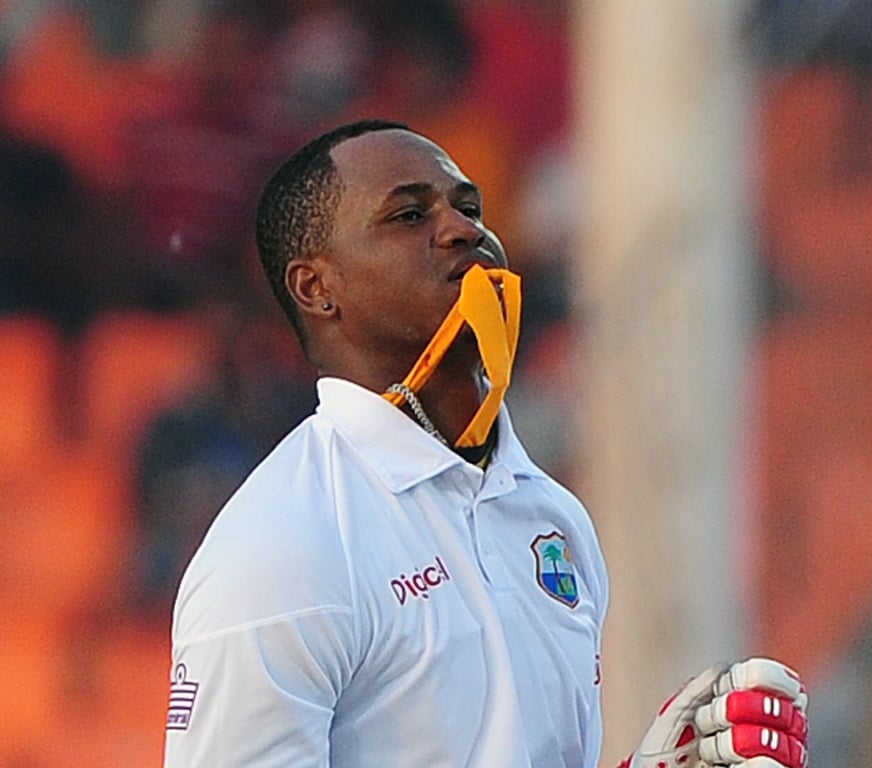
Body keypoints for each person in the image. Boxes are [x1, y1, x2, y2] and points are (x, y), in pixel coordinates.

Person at [163, 118, 809, 767]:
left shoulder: (552, 516)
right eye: (410, 215)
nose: (464, 229)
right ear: (317, 288)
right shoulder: (280, 547)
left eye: (469, 207)